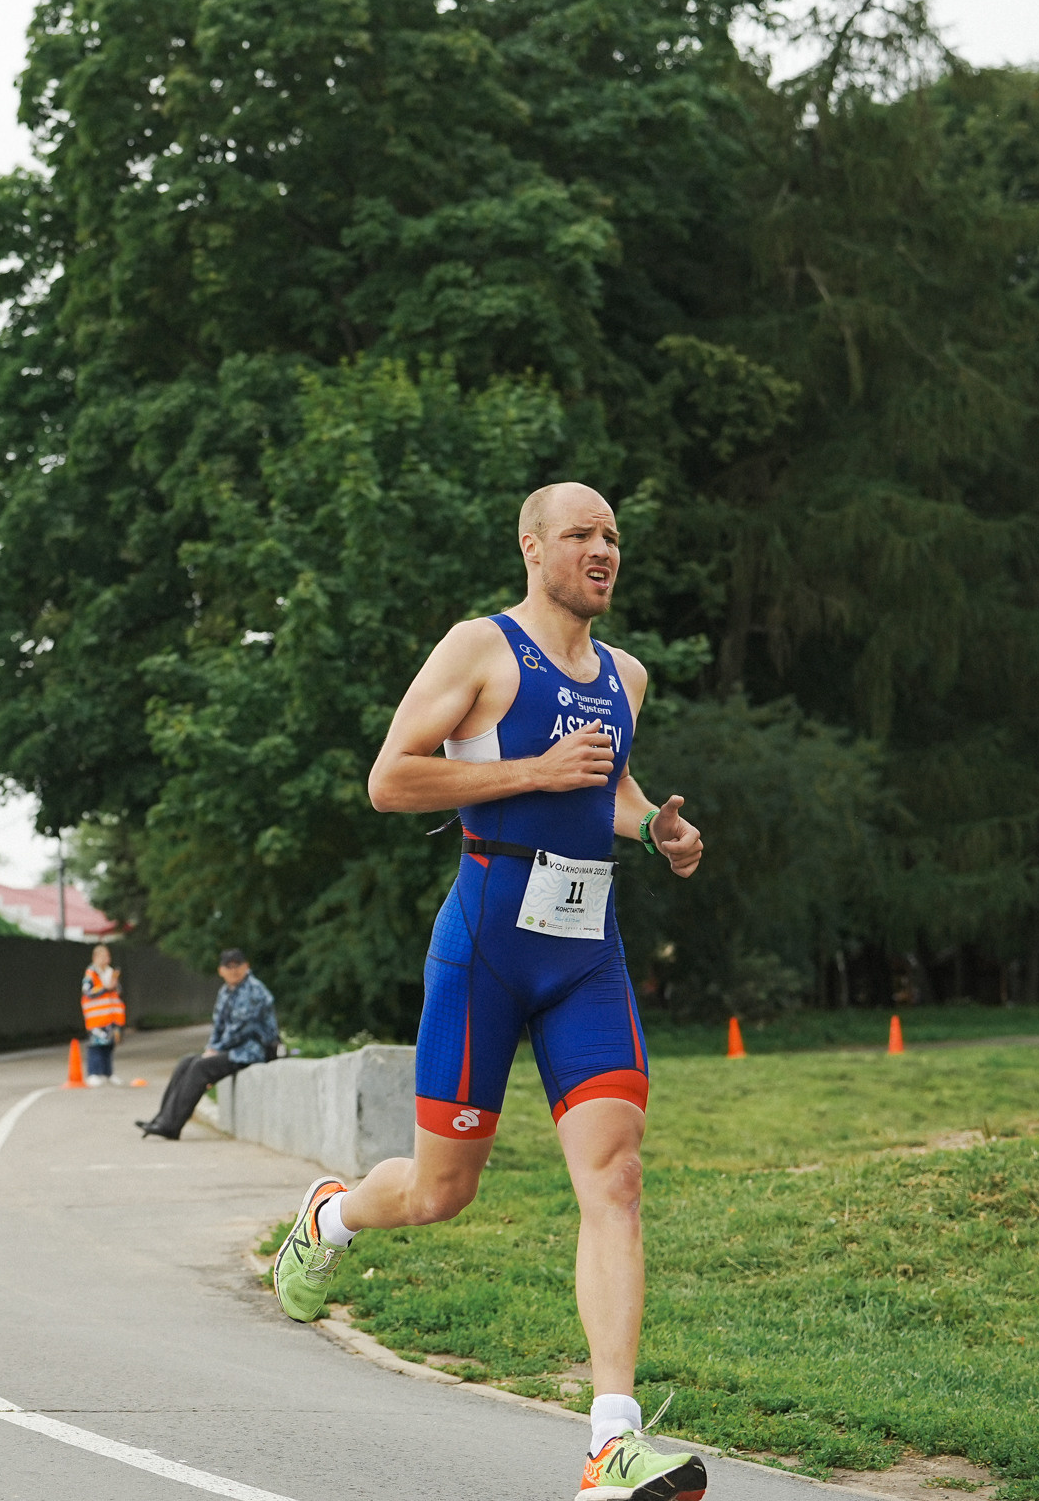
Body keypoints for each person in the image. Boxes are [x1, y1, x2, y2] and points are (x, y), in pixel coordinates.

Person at [265, 482, 706, 1501]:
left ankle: (610, 1439)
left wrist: (658, 829)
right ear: (533, 546)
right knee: (439, 1191)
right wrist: (532, 772)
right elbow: (391, 779)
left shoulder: (626, 676)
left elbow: (612, 785)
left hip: (586, 949)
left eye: (614, 538)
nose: (604, 551)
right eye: (583, 536)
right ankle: (331, 1216)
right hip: (488, 945)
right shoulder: (480, 649)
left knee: (617, 1178)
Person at [136, 949, 276, 1139]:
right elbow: (218, 1026)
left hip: (252, 1050)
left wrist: (216, 1050)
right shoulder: (226, 991)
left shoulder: (253, 990)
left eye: (238, 966)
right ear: (221, 970)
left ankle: (171, 1126)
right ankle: (161, 1119)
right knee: (186, 1062)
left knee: (201, 1067)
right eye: (229, 967)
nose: (234, 971)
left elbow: (241, 1029)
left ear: (246, 966)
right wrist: (210, 1048)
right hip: (234, 1049)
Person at [79, 944, 126, 1086]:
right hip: (96, 1018)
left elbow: (117, 991)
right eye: (104, 956)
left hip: (110, 1017)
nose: (107, 959)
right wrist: (106, 987)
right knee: (96, 1046)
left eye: (108, 956)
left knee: (108, 1046)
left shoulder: (110, 972)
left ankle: (108, 1073)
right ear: (95, 957)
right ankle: (93, 1073)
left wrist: (114, 985)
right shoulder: (91, 974)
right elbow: (88, 992)